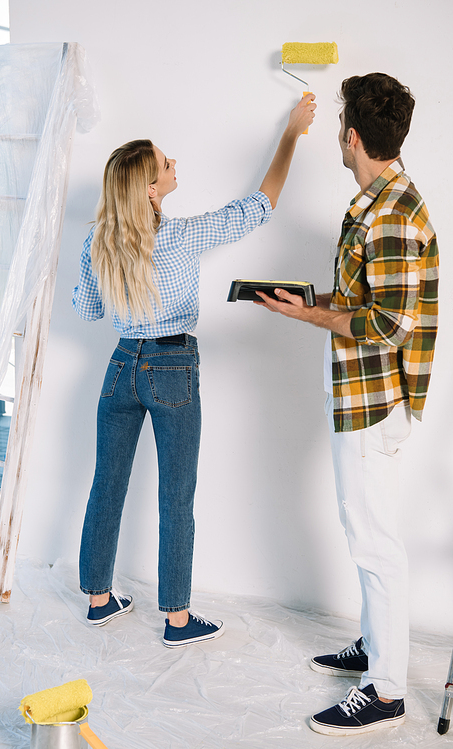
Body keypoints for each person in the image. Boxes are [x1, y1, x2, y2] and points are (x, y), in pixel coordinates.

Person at [72, 94, 316, 647]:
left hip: (120, 366)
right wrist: (291, 135)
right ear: (152, 189)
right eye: (166, 163)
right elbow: (260, 205)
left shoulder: (97, 242)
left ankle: (98, 599)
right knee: (176, 494)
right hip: (173, 365)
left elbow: (87, 310)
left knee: (106, 485)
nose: (174, 163)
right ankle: (177, 620)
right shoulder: (182, 237)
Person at [254, 73, 438, 734]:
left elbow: (389, 323)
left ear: (352, 137)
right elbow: (363, 303)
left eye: (338, 129)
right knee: (364, 527)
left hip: (374, 402)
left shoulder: (391, 213)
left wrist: (310, 319)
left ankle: (385, 689)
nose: (337, 136)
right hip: (358, 396)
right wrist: (309, 303)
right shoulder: (374, 199)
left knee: (374, 540)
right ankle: (375, 642)